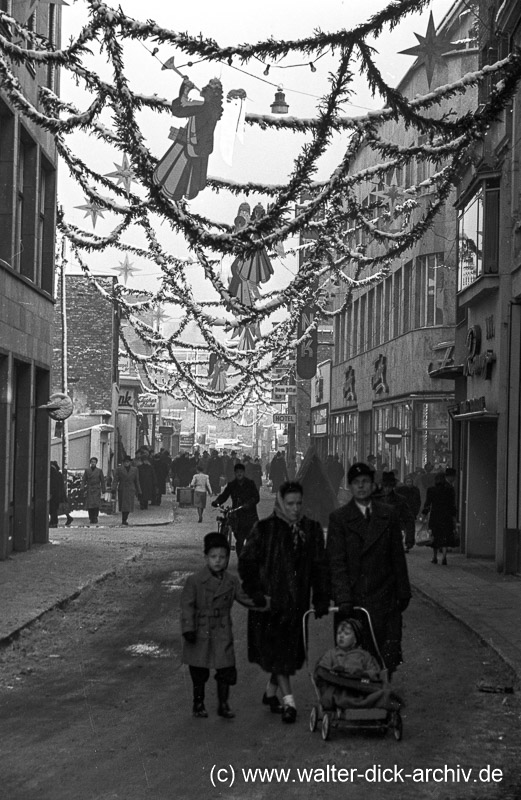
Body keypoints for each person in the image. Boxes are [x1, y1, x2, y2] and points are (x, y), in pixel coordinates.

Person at [238, 480, 330, 724]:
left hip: (297, 605)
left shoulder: (311, 530)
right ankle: (289, 703)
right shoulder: (265, 529)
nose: (295, 508)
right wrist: (255, 591)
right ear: (280, 502)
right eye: (290, 503)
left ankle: (270, 694)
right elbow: (246, 562)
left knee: (286, 655)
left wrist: (321, 596)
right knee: (280, 655)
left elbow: (320, 567)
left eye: (299, 503)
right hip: (269, 605)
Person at [327, 462, 411, 677]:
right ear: (350, 487)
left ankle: (382, 694)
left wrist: (403, 592)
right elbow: (336, 563)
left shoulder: (388, 515)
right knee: (353, 657)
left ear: (373, 485)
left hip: (384, 595)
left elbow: (397, 558)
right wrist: (343, 597)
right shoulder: (339, 519)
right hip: (354, 599)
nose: (361, 487)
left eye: (365, 482)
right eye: (356, 483)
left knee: (385, 654)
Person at [180, 532, 260, 719]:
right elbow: (186, 607)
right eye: (214, 557)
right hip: (200, 630)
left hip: (222, 629)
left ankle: (223, 704)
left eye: (222, 557)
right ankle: (198, 702)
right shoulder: (195, 580)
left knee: (226, 669)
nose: (218, 561)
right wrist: (188, 628)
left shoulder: (231, 581)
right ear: (206, 557)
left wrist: (267, 603)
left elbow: (245, 598)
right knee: (199, 670)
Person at [153, 77, 223, 202]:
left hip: (192, 146)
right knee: (182, 172)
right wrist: (184, 90)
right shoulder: (207, 107)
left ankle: (173, 191)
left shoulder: (204, 107)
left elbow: (180, 110)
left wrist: (185, 90)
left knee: (181, 174)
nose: (202, 88)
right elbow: (184, 106)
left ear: (211, 94)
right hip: (194, 146)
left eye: (206, 88)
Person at [314, 619, 382, 710]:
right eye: (339, 633)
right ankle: (345, 702)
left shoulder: (364, 655)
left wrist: (364, 674)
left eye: (346, 634)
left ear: (355, 639)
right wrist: (333, 671)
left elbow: (373, 671)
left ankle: (362, 702)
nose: (341, 636)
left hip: (358, 685)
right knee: (332, 690)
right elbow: (322, 669)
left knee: (376, 691)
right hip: (339, 685)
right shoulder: (331, 654)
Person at [211, 462, 260, 556]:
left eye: (241, 472)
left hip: (251, 516)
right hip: (237, 516)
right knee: (240, 540)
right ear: (235, 473)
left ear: (244, 472)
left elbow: (256, 497)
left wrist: (249, 504)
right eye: (237, 472)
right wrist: (217, 502)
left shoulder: (250, 484)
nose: (239, 474)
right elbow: (224, 495)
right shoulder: (231, 485)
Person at [421, 471, 458, 565]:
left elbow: (428, 504)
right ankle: (444, 557)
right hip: (447, 516)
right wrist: (454, 517)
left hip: (435, 516)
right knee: (445, 536)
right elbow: (452, 505)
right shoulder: (450, 489)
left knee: (435, 537)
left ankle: (434, 557)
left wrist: (424, 515)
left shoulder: (431, 490)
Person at [376, 471, 416, 553]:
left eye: (389, 487)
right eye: (385, 487)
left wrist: (409, 540)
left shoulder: (400, 500)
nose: (387, 489)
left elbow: (409, 519)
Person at [112, 454, 141, 526]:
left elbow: (137, 481)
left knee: (128, 506)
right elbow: (116, 480)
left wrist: (139, 491)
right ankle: (123, 519)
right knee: (123, 505)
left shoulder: (135, 470)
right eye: (125, 462)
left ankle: (125, 518)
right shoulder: (119, 469)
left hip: (131, 488)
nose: (126, 463)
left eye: (128, 462)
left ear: (130, 462)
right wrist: (113, 488)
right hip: (122, 488)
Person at [81, 457, 106, 525]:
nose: (93, 463)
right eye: (92, 462)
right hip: (90, 488)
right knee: (90, 505)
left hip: (96, 489)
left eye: (94, 462)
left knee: (96, 504)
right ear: (90, 463)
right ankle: (91, 517)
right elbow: (84, 479)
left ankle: (95, 517)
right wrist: (82, 487)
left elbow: (102, 481)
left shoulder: (99, 471)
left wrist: (103, 489)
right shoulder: (87, 471)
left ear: (96, 463)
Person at [49, 461, 73, 528]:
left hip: (55, 494)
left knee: (53, 508)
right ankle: (67, 517)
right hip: (60, 493)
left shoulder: (52, 472)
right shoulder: (58, 473)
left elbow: (53, 484)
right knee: (59, 507)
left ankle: (53, 522)